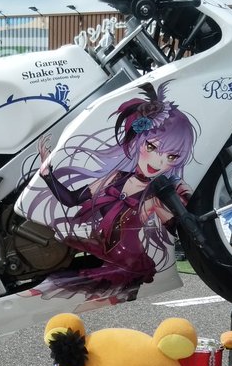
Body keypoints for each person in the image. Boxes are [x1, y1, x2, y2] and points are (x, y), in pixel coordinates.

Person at [26, 81, 195, 305]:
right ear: (139, 142)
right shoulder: (115, 177)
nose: (158, 162)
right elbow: (72, 200)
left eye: (171, 157)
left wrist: (185, 200)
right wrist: (48, 175)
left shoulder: (155, 195)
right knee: (46, 289)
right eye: (152, 147)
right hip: (105, 255)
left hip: (129, 266)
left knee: (56, 292)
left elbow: (180, 227)